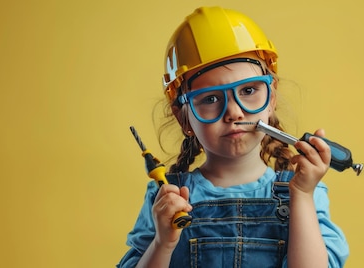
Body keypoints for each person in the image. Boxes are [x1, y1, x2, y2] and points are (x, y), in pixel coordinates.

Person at [117, 6, 349, 268]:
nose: (234, 112)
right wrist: (162, 243)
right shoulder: (164, 197)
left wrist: (303, 196)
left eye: (249, 90)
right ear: (184, 118)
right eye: (211, 98)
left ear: (271, 98)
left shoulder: (305, 190)